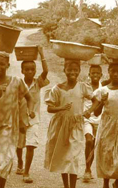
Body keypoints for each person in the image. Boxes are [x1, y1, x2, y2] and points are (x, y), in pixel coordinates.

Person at [0, 51, 35, 188]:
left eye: (1, 64)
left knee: (6, 160)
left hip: (9, 129)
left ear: (7, 65)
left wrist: (30, 110)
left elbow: (29, 98)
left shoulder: (16, 82)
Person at [44, 59, 98, 188]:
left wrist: (89, 111)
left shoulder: (82, 87)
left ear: (79, 71)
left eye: (75, 70)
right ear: (64, 71)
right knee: (63, 156)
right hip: (61, 125)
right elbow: (49, 108)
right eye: (69, 70)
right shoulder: (57, 89)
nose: (72, 72)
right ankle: (66, 186)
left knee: (73, 158)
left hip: (76, 125)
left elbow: (96, 101)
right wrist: (61, 108)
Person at [16, 46, 50, 183]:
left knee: (30, 145)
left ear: (35, 71)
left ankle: (26, 172)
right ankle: (19, 161)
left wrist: (42, 53)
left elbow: (46, 70)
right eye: (27, 69)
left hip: (33, 119)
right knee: (19, 145)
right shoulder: (18, 83)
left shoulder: (38, 83)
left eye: (32, 69)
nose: (30, 72)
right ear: (22, 71)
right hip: (19, 119)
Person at [83, 64, 103, 182]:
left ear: (101, 75)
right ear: (89, 74)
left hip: (100, 119)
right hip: (87, 119)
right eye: (93, 73)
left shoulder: (104, 87)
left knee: (93, 145)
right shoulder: (85, 87)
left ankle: (88, 168)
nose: (95, 75)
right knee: (89, 141)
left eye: (97, 73)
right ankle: (87, 169)